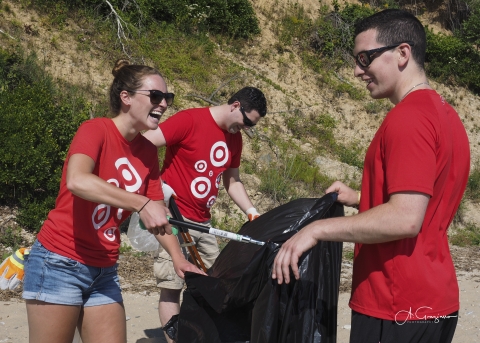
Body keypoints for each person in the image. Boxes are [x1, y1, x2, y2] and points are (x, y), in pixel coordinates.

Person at [272, 9, 470, 343]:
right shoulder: (447, 117)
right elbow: (424, 203)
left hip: (395, 303)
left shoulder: (408, 119)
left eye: (365, 58)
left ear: (402, 54)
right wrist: (361, 197)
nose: (357, 71)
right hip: (436, 298)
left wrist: (317, 230)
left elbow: (405, 219)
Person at [21, 60, 202, 343]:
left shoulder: (146, 151)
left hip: (104, 269)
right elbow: (77, 180)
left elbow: (157, 216)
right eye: (156, 96)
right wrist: (140, 203)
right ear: (126, 97)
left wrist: (179, 258)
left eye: (168, 98)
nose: (164, 104)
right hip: (59, 260)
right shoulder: (96, 130)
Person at [143, 86, 267, 342]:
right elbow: (145, 144)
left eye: (250, 126)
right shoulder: (190, 120)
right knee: (172, 286)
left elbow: (232, 181)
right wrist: (156, 191)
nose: (245, 128)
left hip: (204, 221)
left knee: (218, 283)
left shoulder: (235, 138)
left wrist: (252, 212)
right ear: (235, 105)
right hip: (175, 219)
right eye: (245, 121)